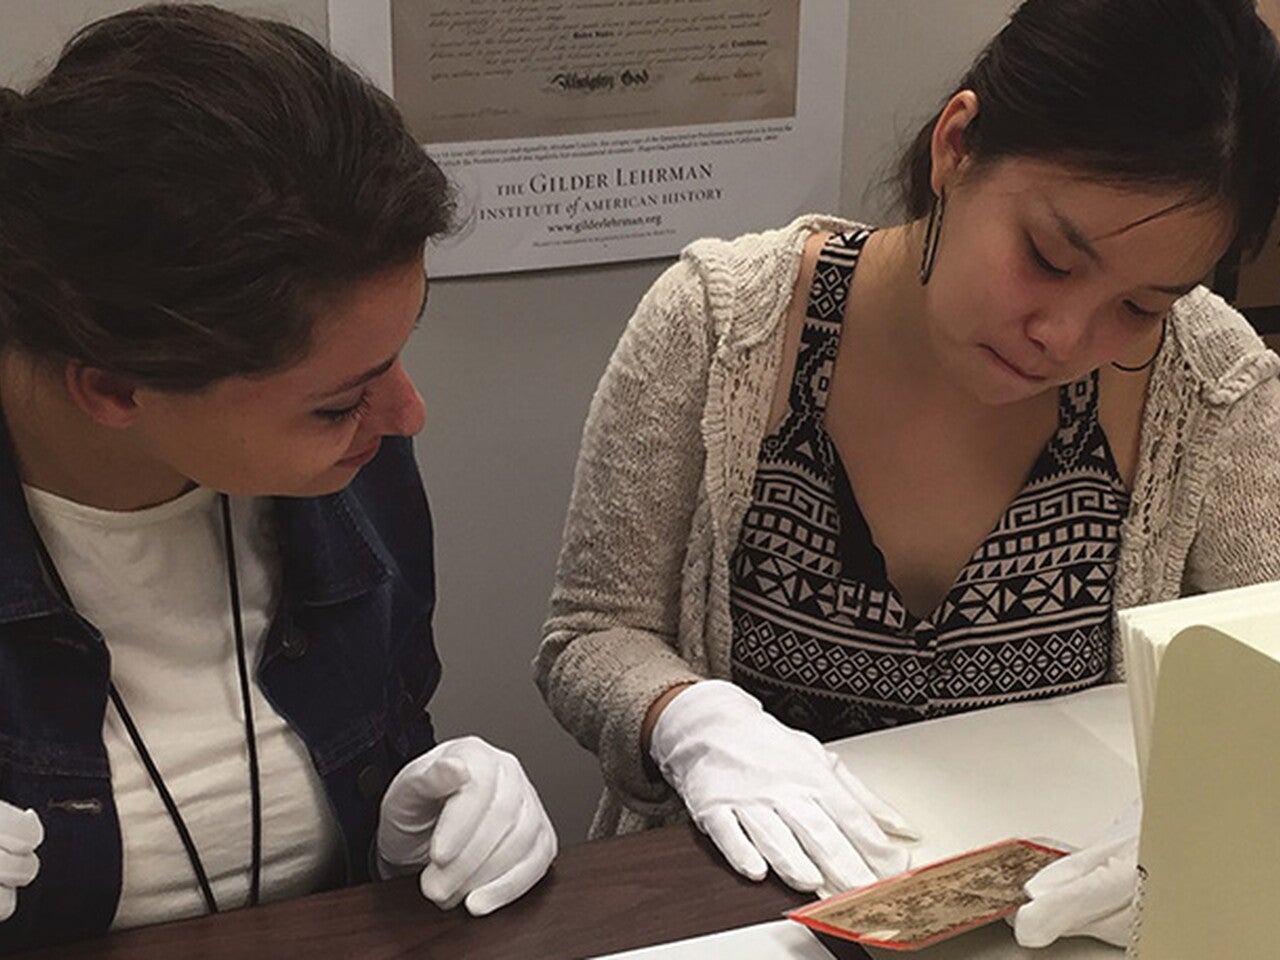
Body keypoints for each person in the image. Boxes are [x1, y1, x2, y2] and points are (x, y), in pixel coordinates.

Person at [537, 0, 1280, 948]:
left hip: (1051, 921)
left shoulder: (1207, 388)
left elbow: (1270, 656)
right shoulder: (724, 328)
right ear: (956, 148)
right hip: (748, 915)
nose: (1066, 338)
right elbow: (592, 634)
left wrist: (1210, 816)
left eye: (1138, 306)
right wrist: (688, 720)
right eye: (1048, 259)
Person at [0, 5, 555, 953]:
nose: (406, 415)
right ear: (115, 388)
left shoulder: (350, 476)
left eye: (401, 349)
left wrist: (405, 841)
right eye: (339, 402)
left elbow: (372, 748)